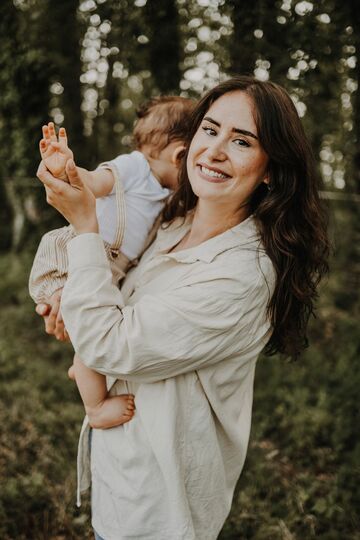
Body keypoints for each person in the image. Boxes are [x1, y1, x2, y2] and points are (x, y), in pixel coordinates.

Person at [36, 76, 329, 540]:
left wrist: (84, 225)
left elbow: (111, 344)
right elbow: (108, 309)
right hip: (123, 471)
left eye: (241, 141)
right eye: (209, 130)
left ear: (271, 168)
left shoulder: (242, 276)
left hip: (163, 505)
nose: (214, 150)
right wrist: (68, 298)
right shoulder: (173, 222)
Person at [29, 96, 194, 429]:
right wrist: (69, 172)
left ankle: (84, 364)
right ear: (180, 155)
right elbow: (98, 182)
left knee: (96, 326)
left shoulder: (166, 192)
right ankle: (95, 406)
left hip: (106, 267)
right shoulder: (136, 167)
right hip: (78, 253)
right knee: (82, 322)